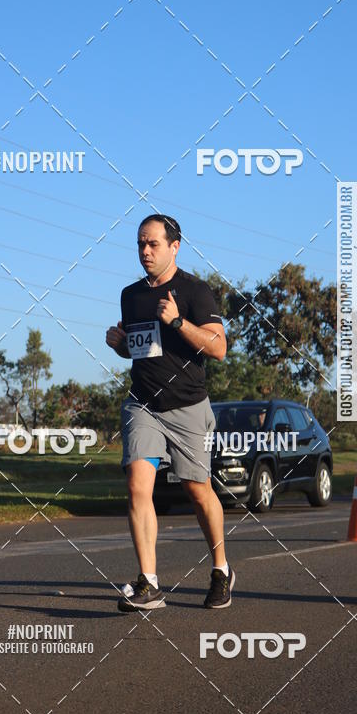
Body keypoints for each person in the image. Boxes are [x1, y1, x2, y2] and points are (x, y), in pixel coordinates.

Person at [105, 214, 235, 611]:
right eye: (140, 244)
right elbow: (143, 349)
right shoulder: (131, 294)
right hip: (144, 403)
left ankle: (221, 569)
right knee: (138, 487)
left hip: (188, 405)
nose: (145, 251)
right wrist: (120, 345)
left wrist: (177, 321)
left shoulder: (196, 291)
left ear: (174, 246)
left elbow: (218, 348)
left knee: (197, 491)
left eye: (153, 244)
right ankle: (149, 582)